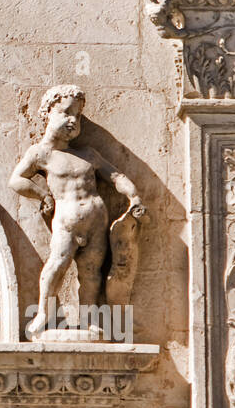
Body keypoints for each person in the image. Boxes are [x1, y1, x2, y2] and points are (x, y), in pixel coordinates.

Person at [10, 85, 143, 339]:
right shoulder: (42, 154)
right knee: (56, 266)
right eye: (65, 113)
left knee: (90, 271)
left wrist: (133, 194)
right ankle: (44, 314)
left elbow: (114, 175)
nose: (73, 120)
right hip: (66, 220)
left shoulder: (87, 155)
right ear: (48, 113)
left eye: (78, 115)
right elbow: (16, 179)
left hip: (97, 221)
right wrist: (42, 194)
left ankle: (89, 318)